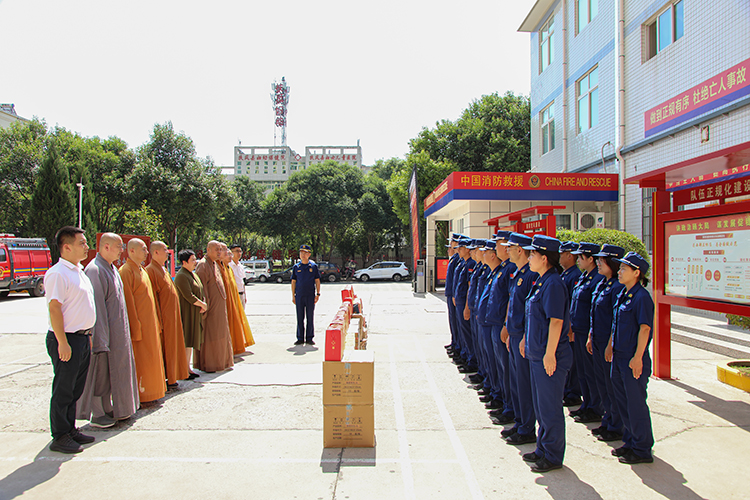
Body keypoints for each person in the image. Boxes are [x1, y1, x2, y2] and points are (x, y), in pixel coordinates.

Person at [521, 235, 573, 473]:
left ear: (544, 258)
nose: (529, 258)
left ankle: (552, 455)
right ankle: (543, 448)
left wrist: (550, 353)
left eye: (532, 255)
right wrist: (525, 339)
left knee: (550, 407)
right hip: (537, 354)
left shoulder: (553, 284)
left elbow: (556, 321)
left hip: (549, 356)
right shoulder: (541, 281)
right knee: (542, 406)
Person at [77, 232, 139, 429]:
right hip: (104, 336)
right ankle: (98, 413)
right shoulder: (95, 270)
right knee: (100, 375)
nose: (122, 251)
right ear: (106, 247)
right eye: (119, 246)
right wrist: (100, 340)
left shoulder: (111, 268)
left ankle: (108, 407)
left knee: (112, 374)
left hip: (117, 334)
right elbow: (97, 310)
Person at [44, 226, 97, 454]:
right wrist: (62, 342)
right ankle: (60, 435)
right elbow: (54, 309)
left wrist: (88, 335)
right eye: (82, 243)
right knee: (64, 389)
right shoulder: (58, 273)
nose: (86, 247)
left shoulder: (79, 271)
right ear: (66, 247)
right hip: (66, 339)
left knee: (75, 389)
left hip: (81, 338)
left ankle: (70, 428)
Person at [609, 251, 655, 464]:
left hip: (632, 360)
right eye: (620, 268)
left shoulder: (642, 297)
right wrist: (610, 345)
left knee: (636, 404)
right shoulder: (623, 293)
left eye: (624, 269)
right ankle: (630, 442)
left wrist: (638, 357)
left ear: (637, 273)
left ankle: (642, 448)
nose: (619, 272)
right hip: (619, 357)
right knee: (623, 402)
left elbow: (644, 329)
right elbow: (616, 323)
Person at [500, 232, 538, 445]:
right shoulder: (518, 273)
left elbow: (529, 310)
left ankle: (526, 428)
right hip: (513, 335)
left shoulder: (531, 276)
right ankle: (520, 422)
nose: (507, 250)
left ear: (520, 250)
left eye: (510, 247)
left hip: (523, 338)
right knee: (516, 382)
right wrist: (507, 326)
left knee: (523, 384)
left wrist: (524, 336)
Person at [119, 238, 166, 403]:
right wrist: (135, 327)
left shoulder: (142, 270)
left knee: (153, 359)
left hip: (150, 324)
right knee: (143, 361)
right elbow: (128, 303)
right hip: (139, 328)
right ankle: (143, 394)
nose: (147, 252)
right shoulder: (126, 271)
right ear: (131, 251)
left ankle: (154, 392)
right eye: (143, 249)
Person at [587, 244, 626, 442]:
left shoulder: (618, 287)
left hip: (608, 344)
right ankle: (607, 419)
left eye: (603, 260)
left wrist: (609, 344)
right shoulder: (602, 283)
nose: (599, 263)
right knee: (601, 383)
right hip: (597, 340)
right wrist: (590, 335)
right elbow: (595, 314)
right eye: (598, 260)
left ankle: (616, 425)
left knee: (612, 386)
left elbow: (615, 320)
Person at [569, 242, 604, 424]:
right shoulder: (584, 277)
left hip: (587, 331)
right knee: (582, 371)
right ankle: (587, 405)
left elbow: (593, 309)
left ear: (591, 259)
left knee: (590, 372)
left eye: (581, 257)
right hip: (578, 330)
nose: (578, 260)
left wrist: (590, 332)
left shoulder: (597, 279)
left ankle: (595, 407)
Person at [146, 241, 190, 388]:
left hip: (172, 318)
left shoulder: (163, 269)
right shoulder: (151, 270)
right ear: (156, 252)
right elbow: (153, 298)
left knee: (173, 348)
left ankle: (173, 377)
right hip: (164, 319)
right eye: (165, 250)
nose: (167, 252)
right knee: (166, 349)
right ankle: (166, 380)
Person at [486, 231, 516, 426]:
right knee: (500, 366)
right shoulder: (502, 269)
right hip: (495, 322)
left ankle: (510, 407)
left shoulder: (510, 270)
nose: (496, 248)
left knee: (507, 370)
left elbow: (510, 301)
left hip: (504, 327)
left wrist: (506, 324)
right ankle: (505, 402)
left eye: (499, 244)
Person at [194, 241, 234, 372]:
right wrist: (205, 306)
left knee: (221, 335)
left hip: (219, 309)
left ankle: (222, 362)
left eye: (219, 249)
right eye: (216, 249)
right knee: (211, 336)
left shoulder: (214, 264)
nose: (218, 252)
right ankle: (209, 364)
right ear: (208, 249)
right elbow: (201, 289)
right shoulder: (203, 265)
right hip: (210, 310)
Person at [474, 240, 502, 413]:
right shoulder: (492, 272)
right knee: (490, 358)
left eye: (484, 252)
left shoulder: (505, 273)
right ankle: (493, 388)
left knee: (501, 365)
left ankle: (500, 397)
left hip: (498, 325)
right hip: (487, 320)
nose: (480, 254)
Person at [173, 249, 205, 379]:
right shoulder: (181, 275)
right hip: (186, 311)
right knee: (186, 339)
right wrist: (202, 304)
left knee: (191, 340)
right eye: (192, 260)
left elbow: (200, 290)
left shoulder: (192, 274)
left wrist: (203, 303)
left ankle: (188, 368)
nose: (195, 262)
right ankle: (184, 369)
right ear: (184, 262)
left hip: (194, 311)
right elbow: (188, 295)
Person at [559, 241, 582, 407]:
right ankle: (568, 390)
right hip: (566, 324)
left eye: (562, 254)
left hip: (572, 326)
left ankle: (573, 393)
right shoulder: (566, 274)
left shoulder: (575, 275)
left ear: (569, 255)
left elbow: (572, 304)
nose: (560, 257)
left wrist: (570, 325)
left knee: (574, 363)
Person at [221, 243, 254, 353]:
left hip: (241, 295)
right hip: (233, 296)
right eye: (236, 251)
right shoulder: (228, 266)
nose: (238, 253)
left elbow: (242, 282)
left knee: (241, 319)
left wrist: (245, 295)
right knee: (234, 319)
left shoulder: (240, 265)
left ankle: (240, 342)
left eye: (240, 251)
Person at [452, 238, 478, 373]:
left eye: (461, 248)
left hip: (465, 303)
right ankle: (466, 356)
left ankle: (471, 359)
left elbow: (469, 287)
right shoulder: (464, 263)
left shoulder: (471, 264)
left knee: (468, 333)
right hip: (460, 301)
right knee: (463, 331)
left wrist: (467, 306)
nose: (458, 250)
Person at [291, 244, 321, 345]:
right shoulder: (296, 267)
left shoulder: (313, 266)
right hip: (299, 295)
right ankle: (300, 338)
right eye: (301, 253)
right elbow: (293, 282)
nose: (302, 255)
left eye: (305, 253)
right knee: (300, 317)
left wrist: (318, 294)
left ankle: (309, 337)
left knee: (310, 316)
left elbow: (317, 281)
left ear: (309, 254)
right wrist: (293, 295)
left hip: (310, 295)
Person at [444, 233, 462, 358]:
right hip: (451, 295)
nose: (449, 249)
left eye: (452, 246)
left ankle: (458, 347)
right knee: (453, 322)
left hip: (455, 296)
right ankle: (455, 343)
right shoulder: (454, 260)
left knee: (458, 324)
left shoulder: (458, 261)